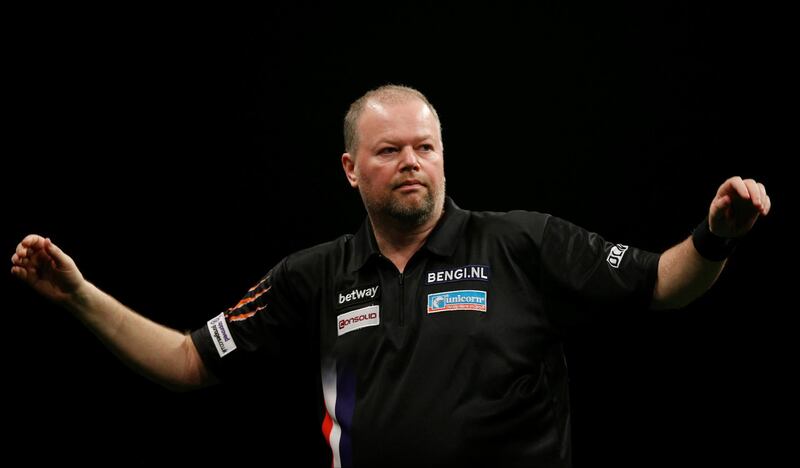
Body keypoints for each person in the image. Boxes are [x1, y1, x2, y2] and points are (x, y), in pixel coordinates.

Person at [11, 85, 770, 468]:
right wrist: (81, 296)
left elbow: (663, 282)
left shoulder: (523, 243)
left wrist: (715, 235)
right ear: (350, 169)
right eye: (389, 151)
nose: (411, 161)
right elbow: (186, 360)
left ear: (444, 154)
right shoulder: (315, 276)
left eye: (425, 147)